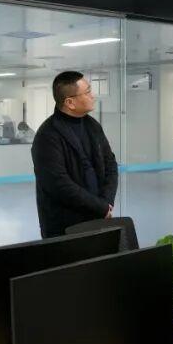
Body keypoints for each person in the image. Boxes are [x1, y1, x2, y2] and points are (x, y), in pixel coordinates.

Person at [31, 71, 118, 238]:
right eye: (87, 92)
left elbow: (110, 164)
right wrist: (100, 207)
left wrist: (106, 202)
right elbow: (59, 184)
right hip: (65, 226)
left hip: (99, 218)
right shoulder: (47, 136)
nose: (93, 96)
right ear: (70, 102)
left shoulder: (93, 126)